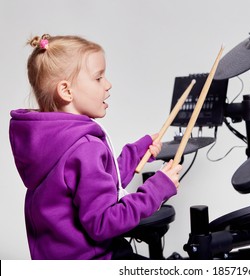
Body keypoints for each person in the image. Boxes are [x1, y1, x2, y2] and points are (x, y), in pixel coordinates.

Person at [9, 34, 182, 260]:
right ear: (66, 91)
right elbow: (103, 223)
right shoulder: (85, 147)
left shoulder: (49, 144)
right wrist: (157, 189)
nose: (108, 85)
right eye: (98, 78)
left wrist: (137, 153)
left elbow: (95, 184)